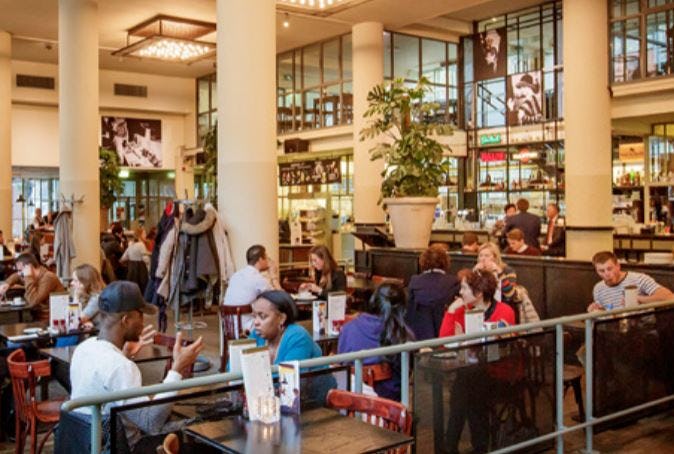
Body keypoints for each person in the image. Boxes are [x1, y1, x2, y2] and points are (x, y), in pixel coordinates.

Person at [70, 281, 203, 450]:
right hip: (127, 447)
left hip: (87, 444)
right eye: (140, 315)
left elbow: (108, 387)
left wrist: (124, 354)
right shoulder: (121, 367)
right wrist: (177, 369)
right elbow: (150, 422)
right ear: (125, 320)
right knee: (198, 432)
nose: (143, 321)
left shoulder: (84, 348)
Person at [338, 283, 414, 401]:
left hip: (354, 399)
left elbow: (341, 362)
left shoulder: (348, 329)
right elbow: (408, 370)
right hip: (389, 404)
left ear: (373, 301)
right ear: (402, 309)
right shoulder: (402, 334)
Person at [588, 251, 674, 312]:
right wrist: (595, 310)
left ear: (618, 266)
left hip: (644, 328)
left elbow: (670, 297)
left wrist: (640, 300)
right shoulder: (598, 288)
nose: (606, 274)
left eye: (610, 269)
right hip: (613, 328)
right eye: (601, 271)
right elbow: (605, 313)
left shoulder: (639, 279)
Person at [406, 246, 460, 340]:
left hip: (418, 335)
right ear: (446, 262)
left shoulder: (415, 281)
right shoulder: (453, 282)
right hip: (445, 334)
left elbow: (409, 311)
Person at [223, 245, 280, 335]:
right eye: (267, 258)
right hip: (246, 329)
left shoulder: (236, 275)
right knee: (277, 319)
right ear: (260, 259)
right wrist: (273, 276)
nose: (269, 261)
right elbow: (280, 298)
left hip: (229, 327)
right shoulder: (258, 278)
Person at [439, 270, 515, 337]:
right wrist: (451, 310)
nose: (460, 292)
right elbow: (443, 343)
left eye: (464, 288)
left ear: (479, 293)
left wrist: (464, 341)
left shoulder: (504, 311)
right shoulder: (460, 310)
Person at [0, 252, 64, 321]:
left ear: (29, 267)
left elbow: (33, 302)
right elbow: (16, 276)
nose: (19, 273)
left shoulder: (48, 278)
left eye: (20, 270)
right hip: (38, 317)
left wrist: (28, 277)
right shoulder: (36, 275)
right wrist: (7, 284)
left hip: (51, 320)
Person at [473, 242, 518, 306]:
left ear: (495, 257)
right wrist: (474, 273)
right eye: (480, 255)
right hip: (481, 306)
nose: (483, 259)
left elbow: (510, 294)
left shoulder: (507, 271)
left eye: (487, 256)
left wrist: (500, 273)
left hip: (503, 305)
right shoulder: (477, 271)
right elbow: (470, 294)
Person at [121, 228, 150, 293]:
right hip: (141, 270)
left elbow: (123, 258)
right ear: (140, 235)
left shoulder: (131, 244)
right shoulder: (141, 245)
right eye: (144, 233)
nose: (145, 235)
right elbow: (146, 260)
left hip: (131, 270)